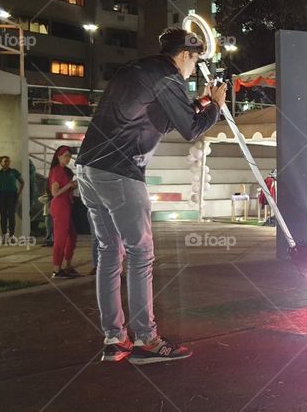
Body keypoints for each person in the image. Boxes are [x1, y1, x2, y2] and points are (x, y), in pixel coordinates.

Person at [76, 27, 226, 364]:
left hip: (88, 168)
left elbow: (164, 118)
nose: (191, 70)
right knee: (141, 253)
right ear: (186, 55)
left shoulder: (137, 69)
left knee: (109, 253)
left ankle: (115, 339)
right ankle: (146, 340)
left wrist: (201, 102)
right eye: (194, 61)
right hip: (120, 171)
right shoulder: (170, 76)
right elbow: (190, 129)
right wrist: (214, 108)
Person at [48, 146, 78, 279]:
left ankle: (67, 265)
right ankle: (56, 269)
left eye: (69, 156)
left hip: (66, 205)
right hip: (60, 206)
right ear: (58, 156)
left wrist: (72, 187)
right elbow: (54, 193)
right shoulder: (57, 171)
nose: (68, 158)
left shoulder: (65, 171)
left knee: (72, 236)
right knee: (60, 238)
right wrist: (69, 186)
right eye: (66, 156)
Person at [0, 155, 23, 239]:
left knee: (11, 215)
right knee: (3, 215)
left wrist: (18, 193)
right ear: (1, 163)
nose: (7, 162)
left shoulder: (14, 171)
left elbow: (22, 182)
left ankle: (11, 235)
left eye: (8, 161)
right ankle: (4, 234)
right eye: (5, 161)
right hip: (2, 195)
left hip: (12, 195)